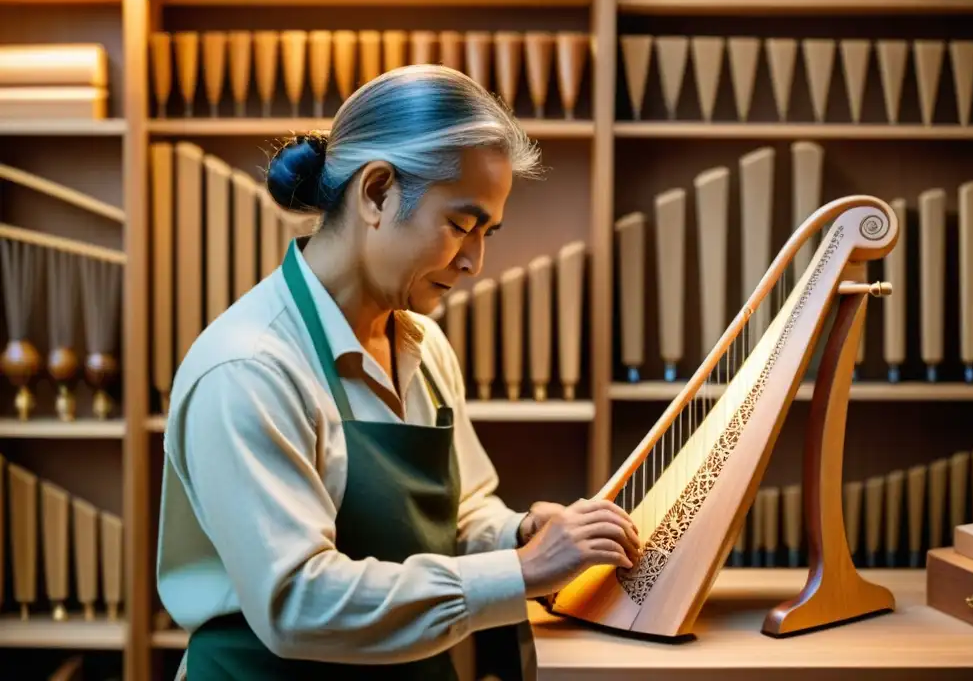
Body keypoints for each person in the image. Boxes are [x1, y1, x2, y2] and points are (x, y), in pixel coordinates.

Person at [155, 64, 641, 681]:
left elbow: (459, 514)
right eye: (461, 225)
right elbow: (298, 604)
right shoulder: (248, 368)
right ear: (378, 191)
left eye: (487, 232)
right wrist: (523, 570)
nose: (475, 262)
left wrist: (517, 533)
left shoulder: (425, 345)